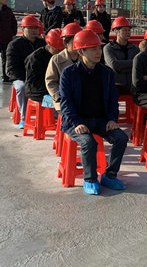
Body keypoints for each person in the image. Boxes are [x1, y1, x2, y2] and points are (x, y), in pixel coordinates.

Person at [59, 30, 129, 195]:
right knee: (88, 143)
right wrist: (77, 123)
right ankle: (90, 179)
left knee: (121, 138)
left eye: (99, 48)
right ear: (81, 52)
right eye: (93, 49)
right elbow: (66, 102)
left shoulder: (106, 72)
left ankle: (109, 176)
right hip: (76, 121)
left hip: (100, 120)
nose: (98, 52)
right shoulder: (69, 73)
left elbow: (113, 98)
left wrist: (112, 118)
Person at [6, 15, 47, 127]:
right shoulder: (14, 45)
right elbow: (11, 68)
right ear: (23, 29)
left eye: (36, 28)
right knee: (22, 88)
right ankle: (24, 118)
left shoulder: (43, 44)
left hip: (38, 77)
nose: (34, 31)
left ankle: (52, 114)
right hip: (21, 77)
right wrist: (26, 78)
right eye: (30, 28)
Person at [45, 23, 83, 112]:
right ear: (66, 43)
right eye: (74, 42)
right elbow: (50, 82)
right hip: (64, 101)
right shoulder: (56, 60)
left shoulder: (85, 58)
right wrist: (59, 96)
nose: (77, 45)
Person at [25, 28, 64, 104]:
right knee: (62, 102)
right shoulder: (35, 58)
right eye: (57, 50)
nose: (60, 52)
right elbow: (36, 83)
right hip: (38, 91)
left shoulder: (62, 56)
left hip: (56, 87)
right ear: (49, 45)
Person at [103, 16, 138, 95]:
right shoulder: (108, 48)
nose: (128, 32)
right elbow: (114, 65)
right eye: (125, 30)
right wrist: (132, 63)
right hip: (115, 87)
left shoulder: (134, 48)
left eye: (129, 30)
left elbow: (138, 65)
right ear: (116, 32)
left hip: (132, 87)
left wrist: (120, 69)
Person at [0, 0, 17, 82]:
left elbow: (14, 22)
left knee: (5, 58)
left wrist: (12, 33)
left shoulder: (8, 10)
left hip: (6, 39)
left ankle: (5, 75)